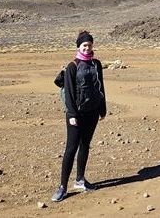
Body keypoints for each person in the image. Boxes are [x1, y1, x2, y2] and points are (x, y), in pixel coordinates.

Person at [52, 30, 107, 202]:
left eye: (89, 45)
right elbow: (69, 93)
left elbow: (100, 86)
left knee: (85, 145)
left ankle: (80, 180)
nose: (87, 48)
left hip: (92, 112)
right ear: (78, 46)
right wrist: (72, 114)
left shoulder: (96, 64)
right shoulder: (72, 66)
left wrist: (102, 108)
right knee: (71, 148)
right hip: (76, 114)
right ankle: (62, 187)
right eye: (84, 45)